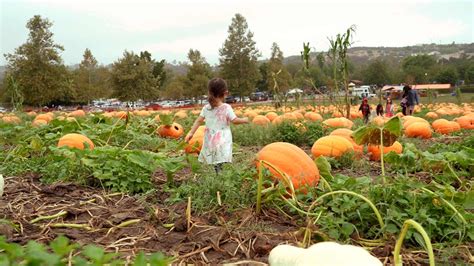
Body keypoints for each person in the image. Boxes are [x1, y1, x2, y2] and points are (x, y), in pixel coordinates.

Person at [185, 78, 249, 174]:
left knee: (214, 156)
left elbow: (198, 121)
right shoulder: (226, 107)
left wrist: (191, 133)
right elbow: (234, 120)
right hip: (222, 138)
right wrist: (245, 120)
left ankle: (216, 172)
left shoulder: (206, 108)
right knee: (220, 158)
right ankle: (219, 173)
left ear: (209, 92)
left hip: (210, 137)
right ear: (225, 93)